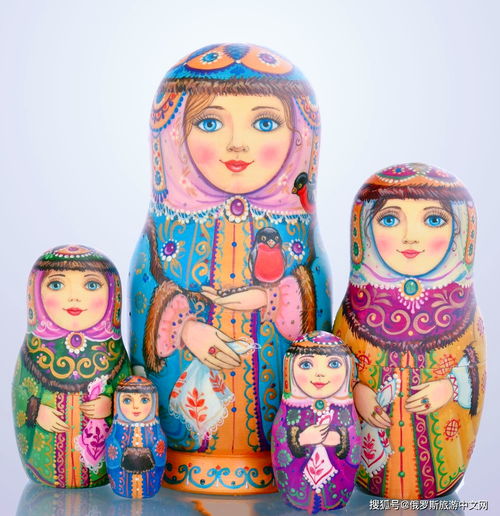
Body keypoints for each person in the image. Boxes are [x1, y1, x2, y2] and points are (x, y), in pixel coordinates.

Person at [129, 43, 332, 494]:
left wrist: (272, 296)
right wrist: (184, 329)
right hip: (180, 453)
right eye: (209, 123)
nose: (237, 144)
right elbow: (151, 287)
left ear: (300, 136)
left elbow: (309, 298)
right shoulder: (170, 222)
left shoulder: (294, 223)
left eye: (265, 123)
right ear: (173, 134)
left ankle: (284, 459)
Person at [334, 163, 486, 499]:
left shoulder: (462, 305)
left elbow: (474, 362)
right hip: (373, 453)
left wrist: (450, 387)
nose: (410, 237)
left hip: (441, 450)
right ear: (363, 228)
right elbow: (338, 362)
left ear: (461, 230)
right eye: (390, 219)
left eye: (434, 220)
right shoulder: (357, 303)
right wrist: (356, 390)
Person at [13, 245, 131, 488]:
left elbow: (129, 391)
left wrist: (112, 405)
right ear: (36, 292)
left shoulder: (113, 351)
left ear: (113, 294)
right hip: (44, 460)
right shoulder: (33, 350)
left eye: (91, 285)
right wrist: (36, 410)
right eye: (56, 285)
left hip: (100, 464)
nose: (74, 298)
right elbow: (22, 391)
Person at [271, 331, 361, 513]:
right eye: (306, 364)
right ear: (289, 368)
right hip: (297, 494)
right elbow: (280, 444)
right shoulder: (290, 410)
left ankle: (337, 498)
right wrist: (300, 440)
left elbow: (354, 445)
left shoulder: (344, 411)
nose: (320, 374)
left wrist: (341, 440)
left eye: (333, 364)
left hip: (336, 494)